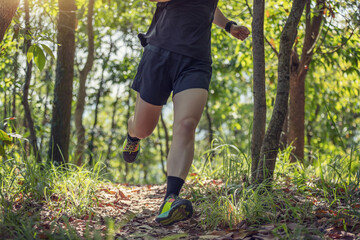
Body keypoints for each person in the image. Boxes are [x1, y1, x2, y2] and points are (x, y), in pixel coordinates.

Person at [122, 0, 250, 226]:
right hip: (159, 53)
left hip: (196, 61)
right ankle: (132, 135)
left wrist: (228, 25)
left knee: (187, 124)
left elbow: (208, 6)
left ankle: (170, 199)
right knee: (143, 128)